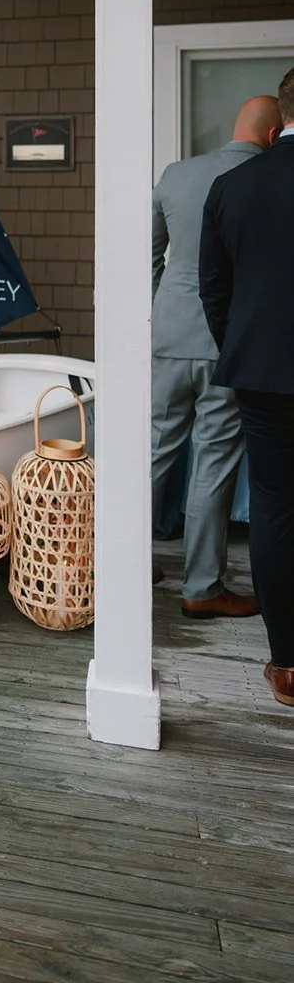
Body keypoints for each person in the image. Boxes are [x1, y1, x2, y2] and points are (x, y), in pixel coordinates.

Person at [151, 95, 281, 616]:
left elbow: (148, 249)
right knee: (215, 459)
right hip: (229, 338)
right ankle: (201, 588)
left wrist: (159, 308)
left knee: (154, 449)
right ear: (274, 136)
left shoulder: (177, 173)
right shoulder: (268, 179)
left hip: (168, 332)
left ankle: (121, 562)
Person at [200, 70, 294, 707]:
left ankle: (288, 663)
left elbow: (215, 291)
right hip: (261, 371)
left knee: (276, 508)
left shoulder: (232, 186)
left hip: (262, 374)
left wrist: (244, 346)